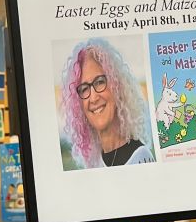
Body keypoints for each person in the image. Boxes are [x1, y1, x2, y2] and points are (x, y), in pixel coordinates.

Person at [59, 40, 154, 169]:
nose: (93, 98)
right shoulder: (93, 163)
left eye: (99, 82)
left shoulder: (141, 158)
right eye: (84, 89)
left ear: (117, 86)